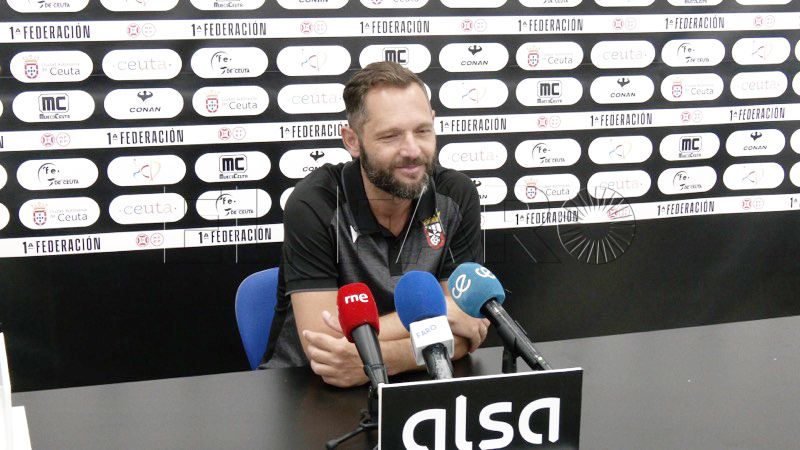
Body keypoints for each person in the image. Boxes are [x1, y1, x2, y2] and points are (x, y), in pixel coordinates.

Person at [262, 61, 489, 387]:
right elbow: (326, 349)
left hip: (417, 387)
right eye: (391, 135)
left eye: (422, 131)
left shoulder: (455, 195)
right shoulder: (315, 203)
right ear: (352, 141)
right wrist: (440, 320)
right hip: (310, 391)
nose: (412, 150)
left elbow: (467, 331)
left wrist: (380, 358)